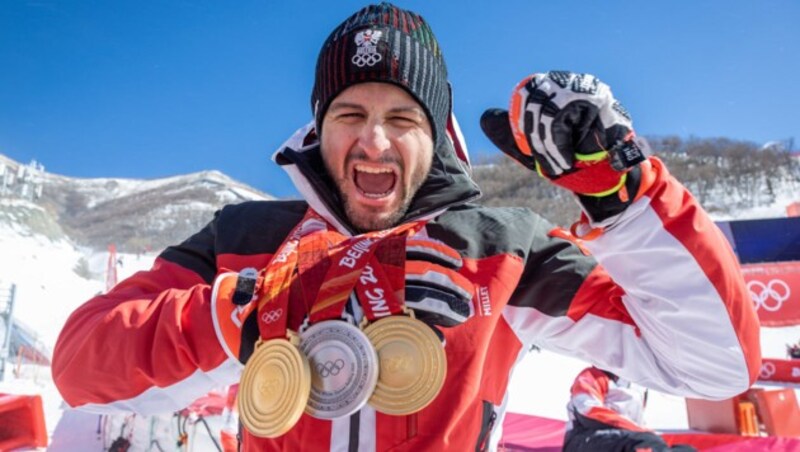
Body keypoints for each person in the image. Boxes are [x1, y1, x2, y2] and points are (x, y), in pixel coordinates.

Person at [52, 2, 761, 451]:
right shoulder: (248, 237)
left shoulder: (501, 246)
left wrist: (625, 195)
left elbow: (714, 363)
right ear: (318, 131)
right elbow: (80, 366)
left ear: (439, 136)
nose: (375, 144)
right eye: (350, 116)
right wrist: (239, 310)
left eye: (401, 120)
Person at [564, 366, 695, 452]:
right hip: (584, 438)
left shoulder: (638, 385)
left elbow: (637, 420)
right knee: (643, 442)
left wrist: (644, 433)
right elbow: (588, 411)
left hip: (624, 437)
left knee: (686, 449)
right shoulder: (593, 375)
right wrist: (640, 432)